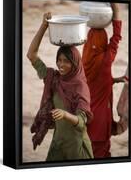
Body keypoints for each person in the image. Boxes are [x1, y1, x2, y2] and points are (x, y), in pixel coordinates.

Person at [27, 12, 94, 161]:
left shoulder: (81, 87)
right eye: (59, 60)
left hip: (76, 147)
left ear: (75, 64)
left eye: (67, 61)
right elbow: (31, 55)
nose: (61, 65)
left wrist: (65, 115)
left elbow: (82, 122)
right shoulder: (54, 79)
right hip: (58, 143)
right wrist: (44, 26)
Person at [82, 3, 122, 158]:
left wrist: (113, 80)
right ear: (104, 41)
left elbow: (98, 82)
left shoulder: (83, 61)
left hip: (85, 121)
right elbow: (117, 37)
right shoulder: (106, 59)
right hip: (100, 125)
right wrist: (116, 9)